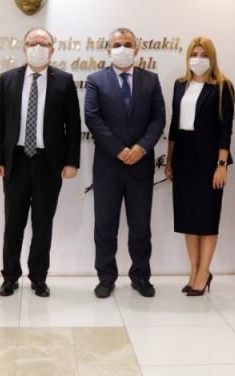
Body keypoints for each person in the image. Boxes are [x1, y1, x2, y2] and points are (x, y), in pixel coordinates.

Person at [0, 27, 81, 297]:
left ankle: (38, 277)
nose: (38, 47)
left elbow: (73, 125)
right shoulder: (8, 79)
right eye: (33, 43)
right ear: (24, 47)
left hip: (48, 164)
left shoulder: (64, 81)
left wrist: (71, 162)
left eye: (44, 43)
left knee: (43, 225)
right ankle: (10, 277)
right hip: (15, 161)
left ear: (52, 49)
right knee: (13, 224)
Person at [84, 27, 165, 298]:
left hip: (141, 166)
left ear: (137, 49)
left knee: (140, 227)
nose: (122, 48)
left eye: (128, 44)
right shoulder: (96, 80)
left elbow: (159, 119)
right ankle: (106, 278)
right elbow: (92, 117)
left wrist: (141, 148)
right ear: (108, 50)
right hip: (108, 166)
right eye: (117, 44)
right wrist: (118, 149)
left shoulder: (151, 80)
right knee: (105, 226)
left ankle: (140, 277)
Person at [165, 37, 234, 296]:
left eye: (204, 55)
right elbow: (174, 125)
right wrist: (169, 160)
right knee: (188, 218)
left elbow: (226, 128)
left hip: (209, 161)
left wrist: (222, 164)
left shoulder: (223, 86)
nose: (198, 59)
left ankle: (204, 273)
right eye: (194, 54)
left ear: (212, 58)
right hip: (183, 158)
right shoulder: (180, 84)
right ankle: (194, 271)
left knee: (206, 218)